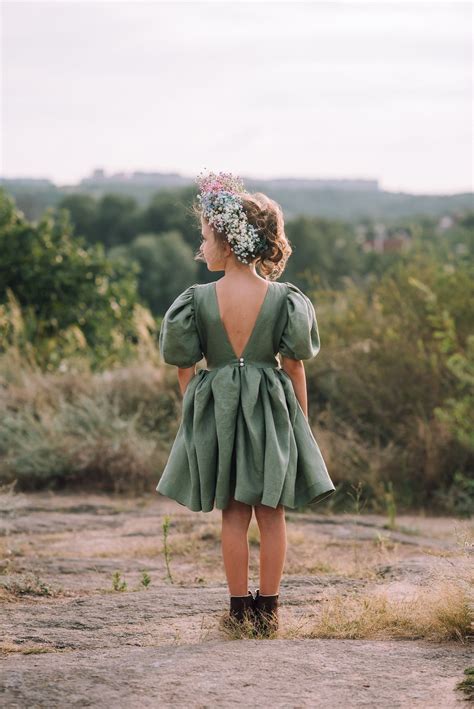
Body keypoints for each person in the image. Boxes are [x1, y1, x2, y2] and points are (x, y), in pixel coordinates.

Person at [156, 171, 335, 636]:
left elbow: (182, 365)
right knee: (271, 514)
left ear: (228, 242)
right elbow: (295, 365)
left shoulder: (196, 300)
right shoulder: (283, 299)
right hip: (272, 412)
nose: (202, 247)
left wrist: (197, 407)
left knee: (233, 513)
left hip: (218, 410)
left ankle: (238, 609)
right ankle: (270, 608)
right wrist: (299, 420)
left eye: (206, 237)